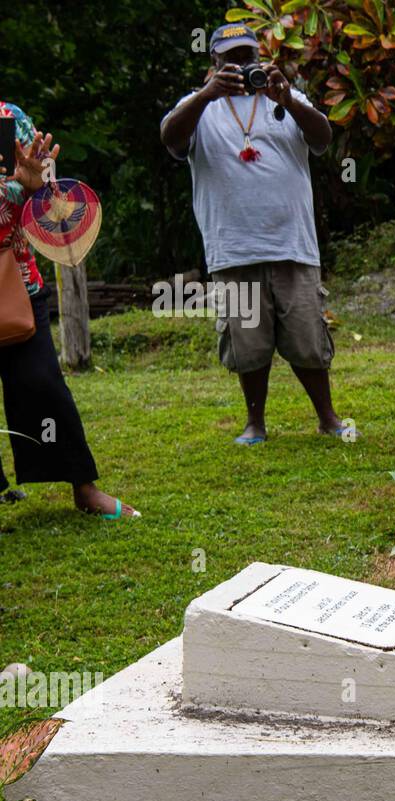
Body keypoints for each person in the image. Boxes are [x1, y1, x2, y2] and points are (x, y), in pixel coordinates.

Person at [160, 23, 344, 446]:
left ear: (259, 56)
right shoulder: (198, 105)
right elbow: (171, 140)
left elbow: (323, 138)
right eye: (231, 59)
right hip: (233, 247)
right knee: (248, 344)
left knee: (307, 337)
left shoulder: (286, 97)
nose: (242, 66)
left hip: (292, 244)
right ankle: (255, 423)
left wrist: (289, 101)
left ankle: (328, 417)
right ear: (215, 63)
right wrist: (208, 94)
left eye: (247, 56)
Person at [0, 102, 138, 518]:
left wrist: (33, 183)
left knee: (42, 383)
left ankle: (84, 487)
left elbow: (52, 202)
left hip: (14, 281)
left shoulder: (9, 118)